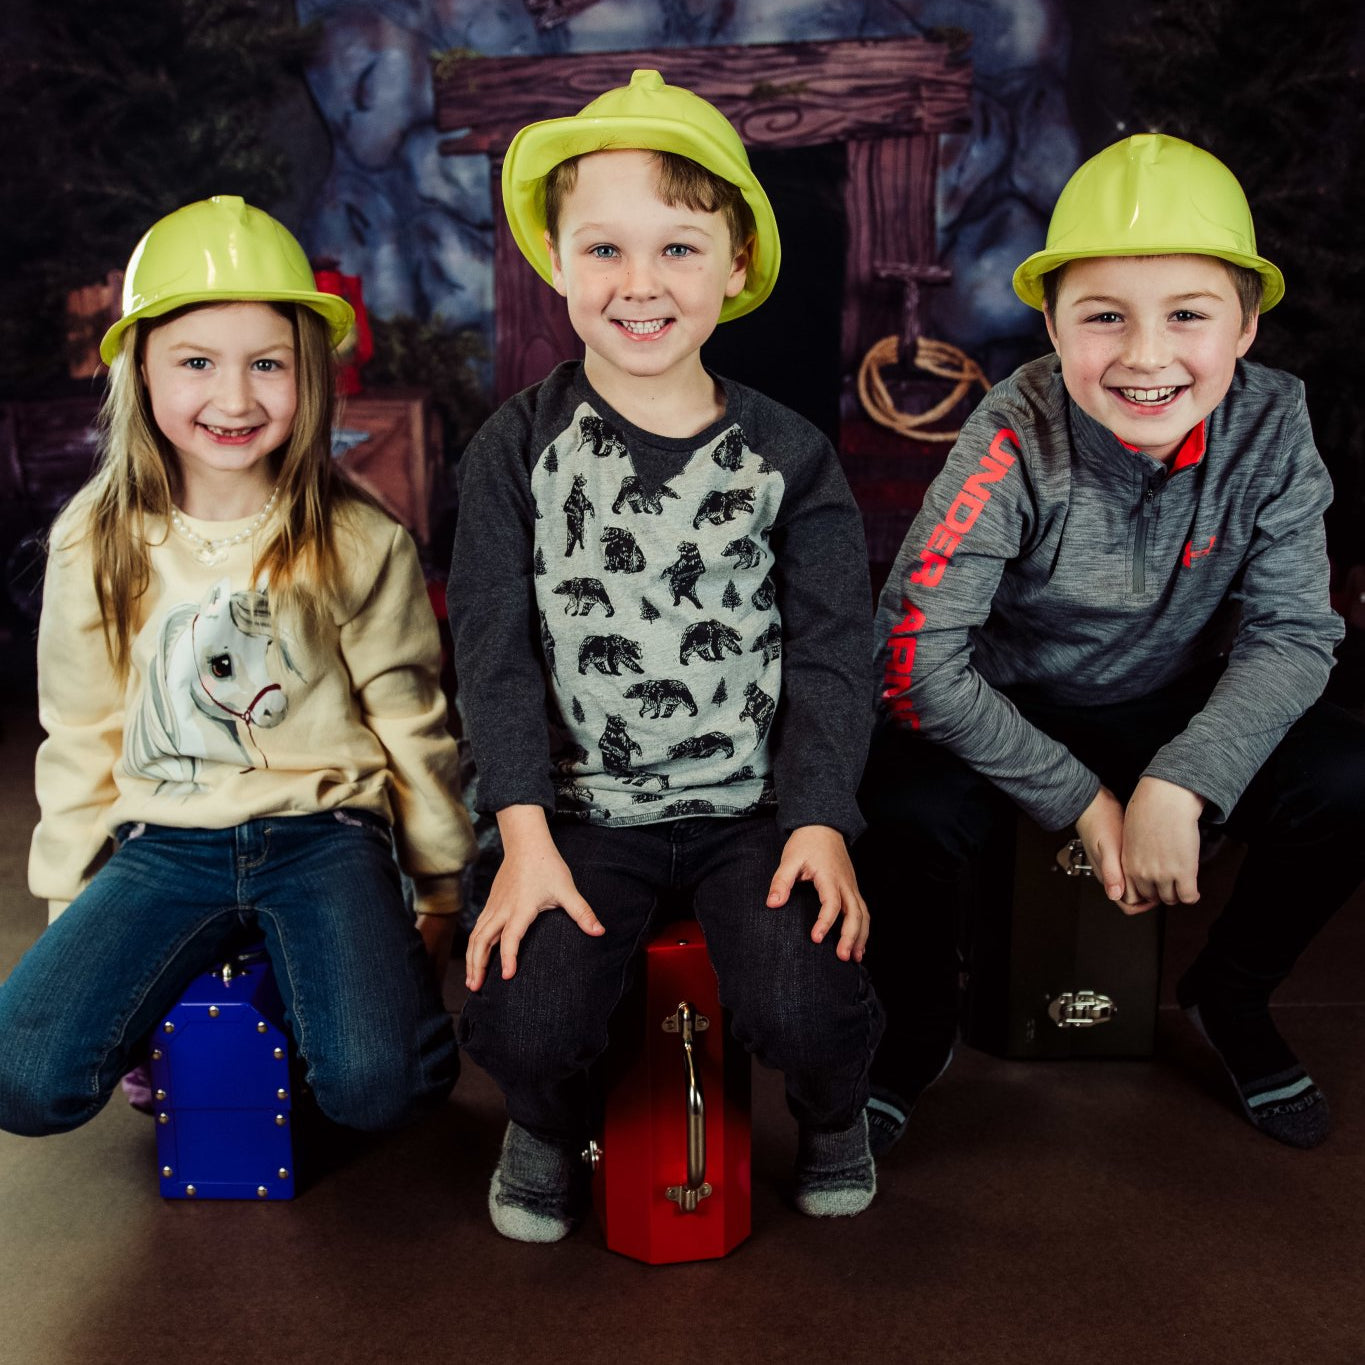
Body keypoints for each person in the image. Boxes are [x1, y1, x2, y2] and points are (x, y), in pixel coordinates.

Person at [857, 133, 1365, 1155]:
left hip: (1176, 699)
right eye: (1103, 317)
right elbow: (910, 659)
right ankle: (914, 1021)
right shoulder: (1012, 431)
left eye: (1188, 315)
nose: (1145, 356)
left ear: (1247, 326)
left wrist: (1184, 779)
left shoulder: (1273, 427)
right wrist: (1080, 800)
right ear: (1050, 323)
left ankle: (1231, 993)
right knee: (896, 801)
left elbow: (1295, 634)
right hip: (1008, 705)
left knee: (1351, 774)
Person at [448, 69, 884, 1242]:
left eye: (679, 249)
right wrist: (523, 837)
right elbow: (491, 651)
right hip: (580, 816)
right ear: (555, 256)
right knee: (525, 1014)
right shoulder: (514, 452)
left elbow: (838, 652)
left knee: (805, 994)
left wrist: (818, 817)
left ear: (737, 263)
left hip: (753, 811)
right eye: (604, 250)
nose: (640, 286)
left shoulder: (787, 457)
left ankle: (836, 1112)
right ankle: (543, 1121)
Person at [0, 196, 475, 1140]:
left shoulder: (357, 535)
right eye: (196, 363)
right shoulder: (92, 540)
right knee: (22, 1079)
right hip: (163, 841)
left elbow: (409, 715)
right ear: (139, 365)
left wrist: (437, 888)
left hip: (323, 836)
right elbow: (82, 723)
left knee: (379, 1090)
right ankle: (184, 982)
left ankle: (334, 982)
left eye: (269, 364)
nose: (235, 398)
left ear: (311, 374)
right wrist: (69, 895)